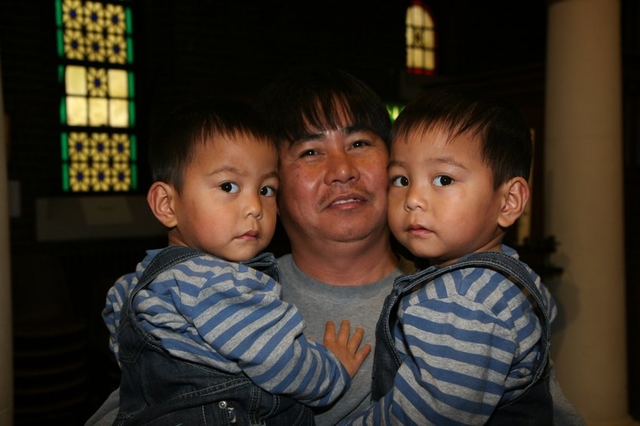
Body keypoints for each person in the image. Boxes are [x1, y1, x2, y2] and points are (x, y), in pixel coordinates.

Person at [100, 98, 371, 425]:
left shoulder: (138, 281)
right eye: (229, 186)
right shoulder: (219, 283)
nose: (254, 206)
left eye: (267, 189)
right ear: (166, 204)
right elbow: (284, 365)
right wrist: (332, 370)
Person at [340, 86, 568, 425]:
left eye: (443, 179)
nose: (413, 198)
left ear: (508, 202)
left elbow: (423, 418)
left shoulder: (462, 303)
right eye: (401, 179)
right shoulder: (509, 275)